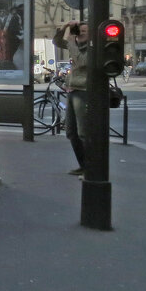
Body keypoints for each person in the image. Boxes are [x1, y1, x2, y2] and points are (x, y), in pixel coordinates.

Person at [53, 21, 90, 176]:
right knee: (71, 132)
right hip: (72, 89)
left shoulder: (91, 48)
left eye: (84, 31)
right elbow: (56, 41)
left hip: (84, 90)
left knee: (83, 132)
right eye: (79, 30)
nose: (80, 33)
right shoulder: (74, 45)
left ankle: (91, 168)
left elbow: (82, 61)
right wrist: (64, 28)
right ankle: (83, 165)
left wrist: (71, 42)